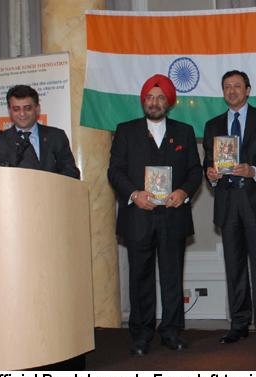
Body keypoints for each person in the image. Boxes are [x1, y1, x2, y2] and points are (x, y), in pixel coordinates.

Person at [108, 74, 202, 356]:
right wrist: (135, 194)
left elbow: (195, 171)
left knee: (173, 277)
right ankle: (141, 334)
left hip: (173, 215)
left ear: (169, 102)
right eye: (149, 97)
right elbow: (115, 171)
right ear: (143, 101)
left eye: (160, 97)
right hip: (138, 215)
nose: (154, 102)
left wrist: (183, 192)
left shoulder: (184, 132)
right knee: (140, 278)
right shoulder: (125, 130)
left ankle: (172, 332)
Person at [203, 70, 256, 344]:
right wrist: (210, 174)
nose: (232, 91)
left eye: (237, 86)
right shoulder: (213, 125)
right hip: (227, 203)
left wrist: (253, 170)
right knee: (234, 266)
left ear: (248, 90)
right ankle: (238, 323)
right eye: (227, 87)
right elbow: (208, 162)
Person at [0, 84, 79, 179]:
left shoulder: (56, 136)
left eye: (27, 108)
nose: (22, 114)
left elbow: (71, 172)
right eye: (16, 109)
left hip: (50, 192)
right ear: (10, 111)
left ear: (37, 109)